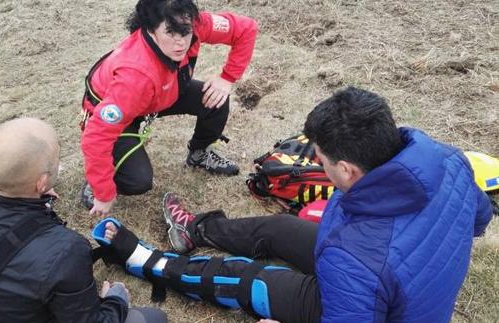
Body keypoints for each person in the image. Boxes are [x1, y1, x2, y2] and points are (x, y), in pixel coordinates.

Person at [93, 87, 493, 323]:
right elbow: (478, 218)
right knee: (279, 230)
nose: (316, 163)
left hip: (377, 300)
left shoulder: (354, 257)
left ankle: (151, 263)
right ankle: (193, 231)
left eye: (321, 159)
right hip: (383, 273)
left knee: (249, 279)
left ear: (349, 170)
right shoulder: (448, 160)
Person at [0, 118, 167, 323]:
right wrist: (116, 299)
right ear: (41, 182)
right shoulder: (64, 251)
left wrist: (24, 189)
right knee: (153, 318)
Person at [80, 0, 258, 216]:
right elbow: (96, 136)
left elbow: (246, 28)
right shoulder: (134, 76)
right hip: (123, 110)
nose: (180, 42)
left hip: (164, 91)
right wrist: (103, 192)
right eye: (171, 33)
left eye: (185, 33)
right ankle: (96, 181)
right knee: (138, 181)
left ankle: (199, 153)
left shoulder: (190, 22)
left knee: (217, 99)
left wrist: (227, 78)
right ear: (150, 28)